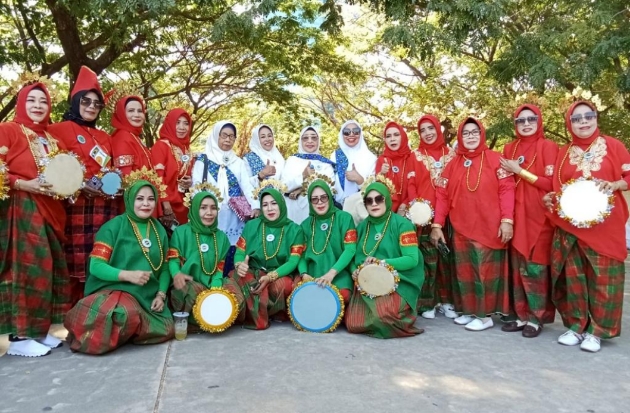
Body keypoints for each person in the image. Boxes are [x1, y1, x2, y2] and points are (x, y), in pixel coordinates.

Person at [543, 101, 630, 352]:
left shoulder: (614, 146)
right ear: (569, 123)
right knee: (574, 280)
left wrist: (616, 185)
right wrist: (551, 198)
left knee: (604, 279)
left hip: (606, 227)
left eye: (588, 116)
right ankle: (577, 326)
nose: (583, 122)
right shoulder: (564, 151)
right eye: (576, 118)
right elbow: (558, 185)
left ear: (595, 118)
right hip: (571, 226)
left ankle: (598, 331)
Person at [64, 170, 173, 354]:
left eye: (150, 199)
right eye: (140, 198)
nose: (146, 204)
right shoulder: (113, 227)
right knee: (117, 314)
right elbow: (96, 266)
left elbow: (164, 268)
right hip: (111, 289)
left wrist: (160, 295)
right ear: (130, 199)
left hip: (146, 296)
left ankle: (124, 332)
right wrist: (127, 276)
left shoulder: (159, 230)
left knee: (166, 328)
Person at [0, 82, 71, 357]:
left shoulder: (53, 139)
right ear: (21, 103)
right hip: (23, 206)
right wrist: (21, 183)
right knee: (27, 269)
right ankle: (19, 338)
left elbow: (66, 174)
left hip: (52, 210)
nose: (38, 106)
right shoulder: (8, 130)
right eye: (31, 100)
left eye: (43, 101)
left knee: (49, 268)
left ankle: (38, 332)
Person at [431, 118, 515, 332]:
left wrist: (507, 220)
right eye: (466, 133)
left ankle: (484, 316)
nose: (470, 136)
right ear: (460, 136)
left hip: (488, 226)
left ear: (482, 134)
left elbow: (507, 190)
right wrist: (437, 224)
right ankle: (469, 311)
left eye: (474, 132)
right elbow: (442, 196)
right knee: (463, 271)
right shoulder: (453, 164)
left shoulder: (496, 159)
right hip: (461, 226)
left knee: (483, 271)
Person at [48, 66, 118, 305]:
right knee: (73, 265)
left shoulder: (105, 137)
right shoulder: (55, 130)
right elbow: (51, 168)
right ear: (76, 101)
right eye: (86, 101)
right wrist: (78, 184)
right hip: (74, 208)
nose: (91, 107)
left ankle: (95, 309)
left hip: (104, 209)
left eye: (96, 104)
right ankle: (70, 313)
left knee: (100, 258)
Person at [499, 104, 558, 338]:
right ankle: (522, 315)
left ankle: (537, 318)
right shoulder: (509, 147)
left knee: (535, 269)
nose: (525, 124)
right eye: (520, 121)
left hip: (539, 217)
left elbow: (552, 183)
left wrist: (520, 171)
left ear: (539, 120)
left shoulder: (548, 146)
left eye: (530, 119)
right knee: (517, 269)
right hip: (515, 215)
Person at [345, 179, 424, 339]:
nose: (374, 204)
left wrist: (381, 264)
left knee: (383, 317)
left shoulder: (402, 225)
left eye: (379, 199)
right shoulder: (361, 227)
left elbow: (412, 259)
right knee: (353, 323)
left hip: (399, 280)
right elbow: (352, 257)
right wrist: (354, 271)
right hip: (366, 280)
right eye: (369, 200)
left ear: (387, 199)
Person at [168, 182, 244, 332]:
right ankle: (199, 323)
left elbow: (219, 268)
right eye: (203, 208)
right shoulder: (181, 232)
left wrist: (216, 289)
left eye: (213, 208)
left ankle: (216, 320)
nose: (209, 213)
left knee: (236, 298)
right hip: (189, 282)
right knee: (191, 292)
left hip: (214, 280)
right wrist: (176, 274)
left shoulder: (221, 237)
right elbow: (173, 260)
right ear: (195, 209)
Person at [230, 180, 305, 330]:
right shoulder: (252, 226)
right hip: (253, 271)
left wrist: (271, 276)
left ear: (281, 204)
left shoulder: (294, 229)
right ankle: (256, 314)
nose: (270, 208)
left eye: (274, 203)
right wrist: (239, 264)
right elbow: (240, 252)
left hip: (278, 273)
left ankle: (270, 312)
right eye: (265, 205)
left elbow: (293, 262)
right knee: (241, 281)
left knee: (282, 287)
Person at [192, 121, 258, 275]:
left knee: (231, 248)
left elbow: (247, 186)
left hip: (233, 215)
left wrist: (255, 205)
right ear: (216, 136)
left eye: (232, 136)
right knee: (211, 247)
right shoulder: (203, 160)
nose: (228, 140)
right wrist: (198, 210)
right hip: (211, 213)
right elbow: (196, 186)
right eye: (224, 135)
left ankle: (229, 283)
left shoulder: (238, 162)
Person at [409, 115, 457, 320]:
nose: (428, 133)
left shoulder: (452, 154)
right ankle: (427, 302)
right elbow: (411, 184)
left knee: (447, 261)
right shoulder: (415, 155)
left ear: (439, 129)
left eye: (431, 128)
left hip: (449, 217)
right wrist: (417, 208)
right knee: (428, 261)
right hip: (424, 217)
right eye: (423, 130)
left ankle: (446, 301)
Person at [298, 174, 357, 304]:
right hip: (312, 276)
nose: (320, 202)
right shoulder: (305, 225)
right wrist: (303, 274)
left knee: (342, 297)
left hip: (339, 274)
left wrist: (331, 274)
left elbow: (350, 249)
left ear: (330, 197)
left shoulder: (344, 218)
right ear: (309, 201)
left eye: (323, 198)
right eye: (314, 199)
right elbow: (301, 255)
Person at [281, 126, 340, 224]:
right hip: (294, 211)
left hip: (319, 209)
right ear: (300, 141)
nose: (310, 141)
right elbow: (283, 187)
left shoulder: (325, 163)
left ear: (318, 141)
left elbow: (329, 187)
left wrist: (301, 189)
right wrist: (303, 176)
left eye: (314, 138)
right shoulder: (292, 160)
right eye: (305, 138)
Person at [151, 108, 194, 228]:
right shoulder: (161, 146)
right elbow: (157, 178)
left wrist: (190, 182)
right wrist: (166, 205)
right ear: (169, 124)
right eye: (177, 122)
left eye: (186, 123)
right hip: (167, 207)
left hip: (184, 205)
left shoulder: (187, 150)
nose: (182, 127)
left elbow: (190, 174)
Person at [331, 120, 377, 204]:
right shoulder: (335, 155)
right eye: (346, 132)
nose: (351, 134)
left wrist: (359, 180)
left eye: (356, 131)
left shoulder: (370, 158)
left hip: (363, 206)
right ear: (342, 135)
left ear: (360, 134)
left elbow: (375, 188)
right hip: (338, 208)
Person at [376, 121, 412, 213]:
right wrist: (382, 173)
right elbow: (377, 188)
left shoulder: (411, 158)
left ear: (403, 137)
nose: (392, 139)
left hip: (409, 206)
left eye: (396, 135)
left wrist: (406, 204)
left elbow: (417, 185)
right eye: (388, 136)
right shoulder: (382, 160)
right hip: (387, 208)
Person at [111, 95, 152, 176]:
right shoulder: (122, 137)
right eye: (131, 110)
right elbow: (126, 177)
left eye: (140, 111)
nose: (136, 115)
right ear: (122, 113)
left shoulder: (134, 136)